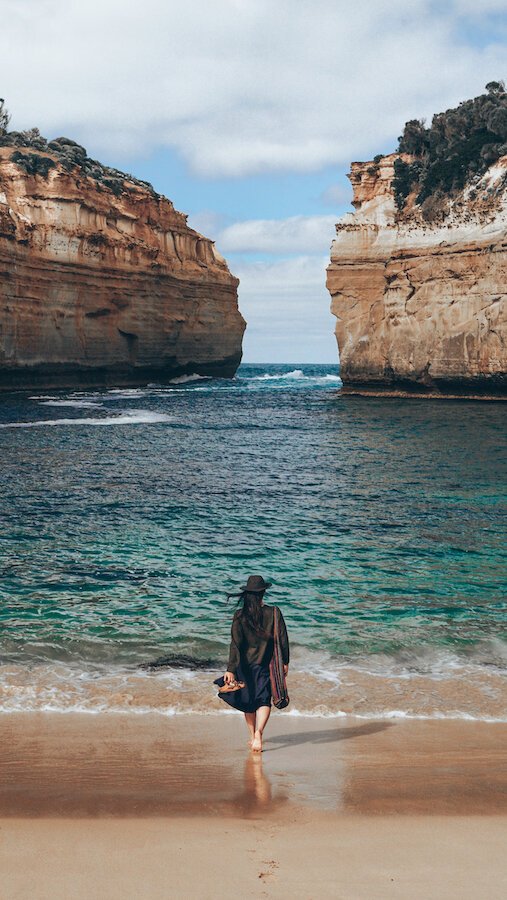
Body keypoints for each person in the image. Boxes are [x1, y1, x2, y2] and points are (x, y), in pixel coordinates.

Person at [218, 575, 289, 753]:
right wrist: (285, 662)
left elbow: (235, 644)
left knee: (248, 701)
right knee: (264, 700)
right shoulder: (274, 612)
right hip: (265, 664)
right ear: (263, 592)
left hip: (244, 665)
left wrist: (231, 669)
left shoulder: (239, 615)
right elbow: (282, 639)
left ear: (247, 594)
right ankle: (259, 733)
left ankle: (252, 736)